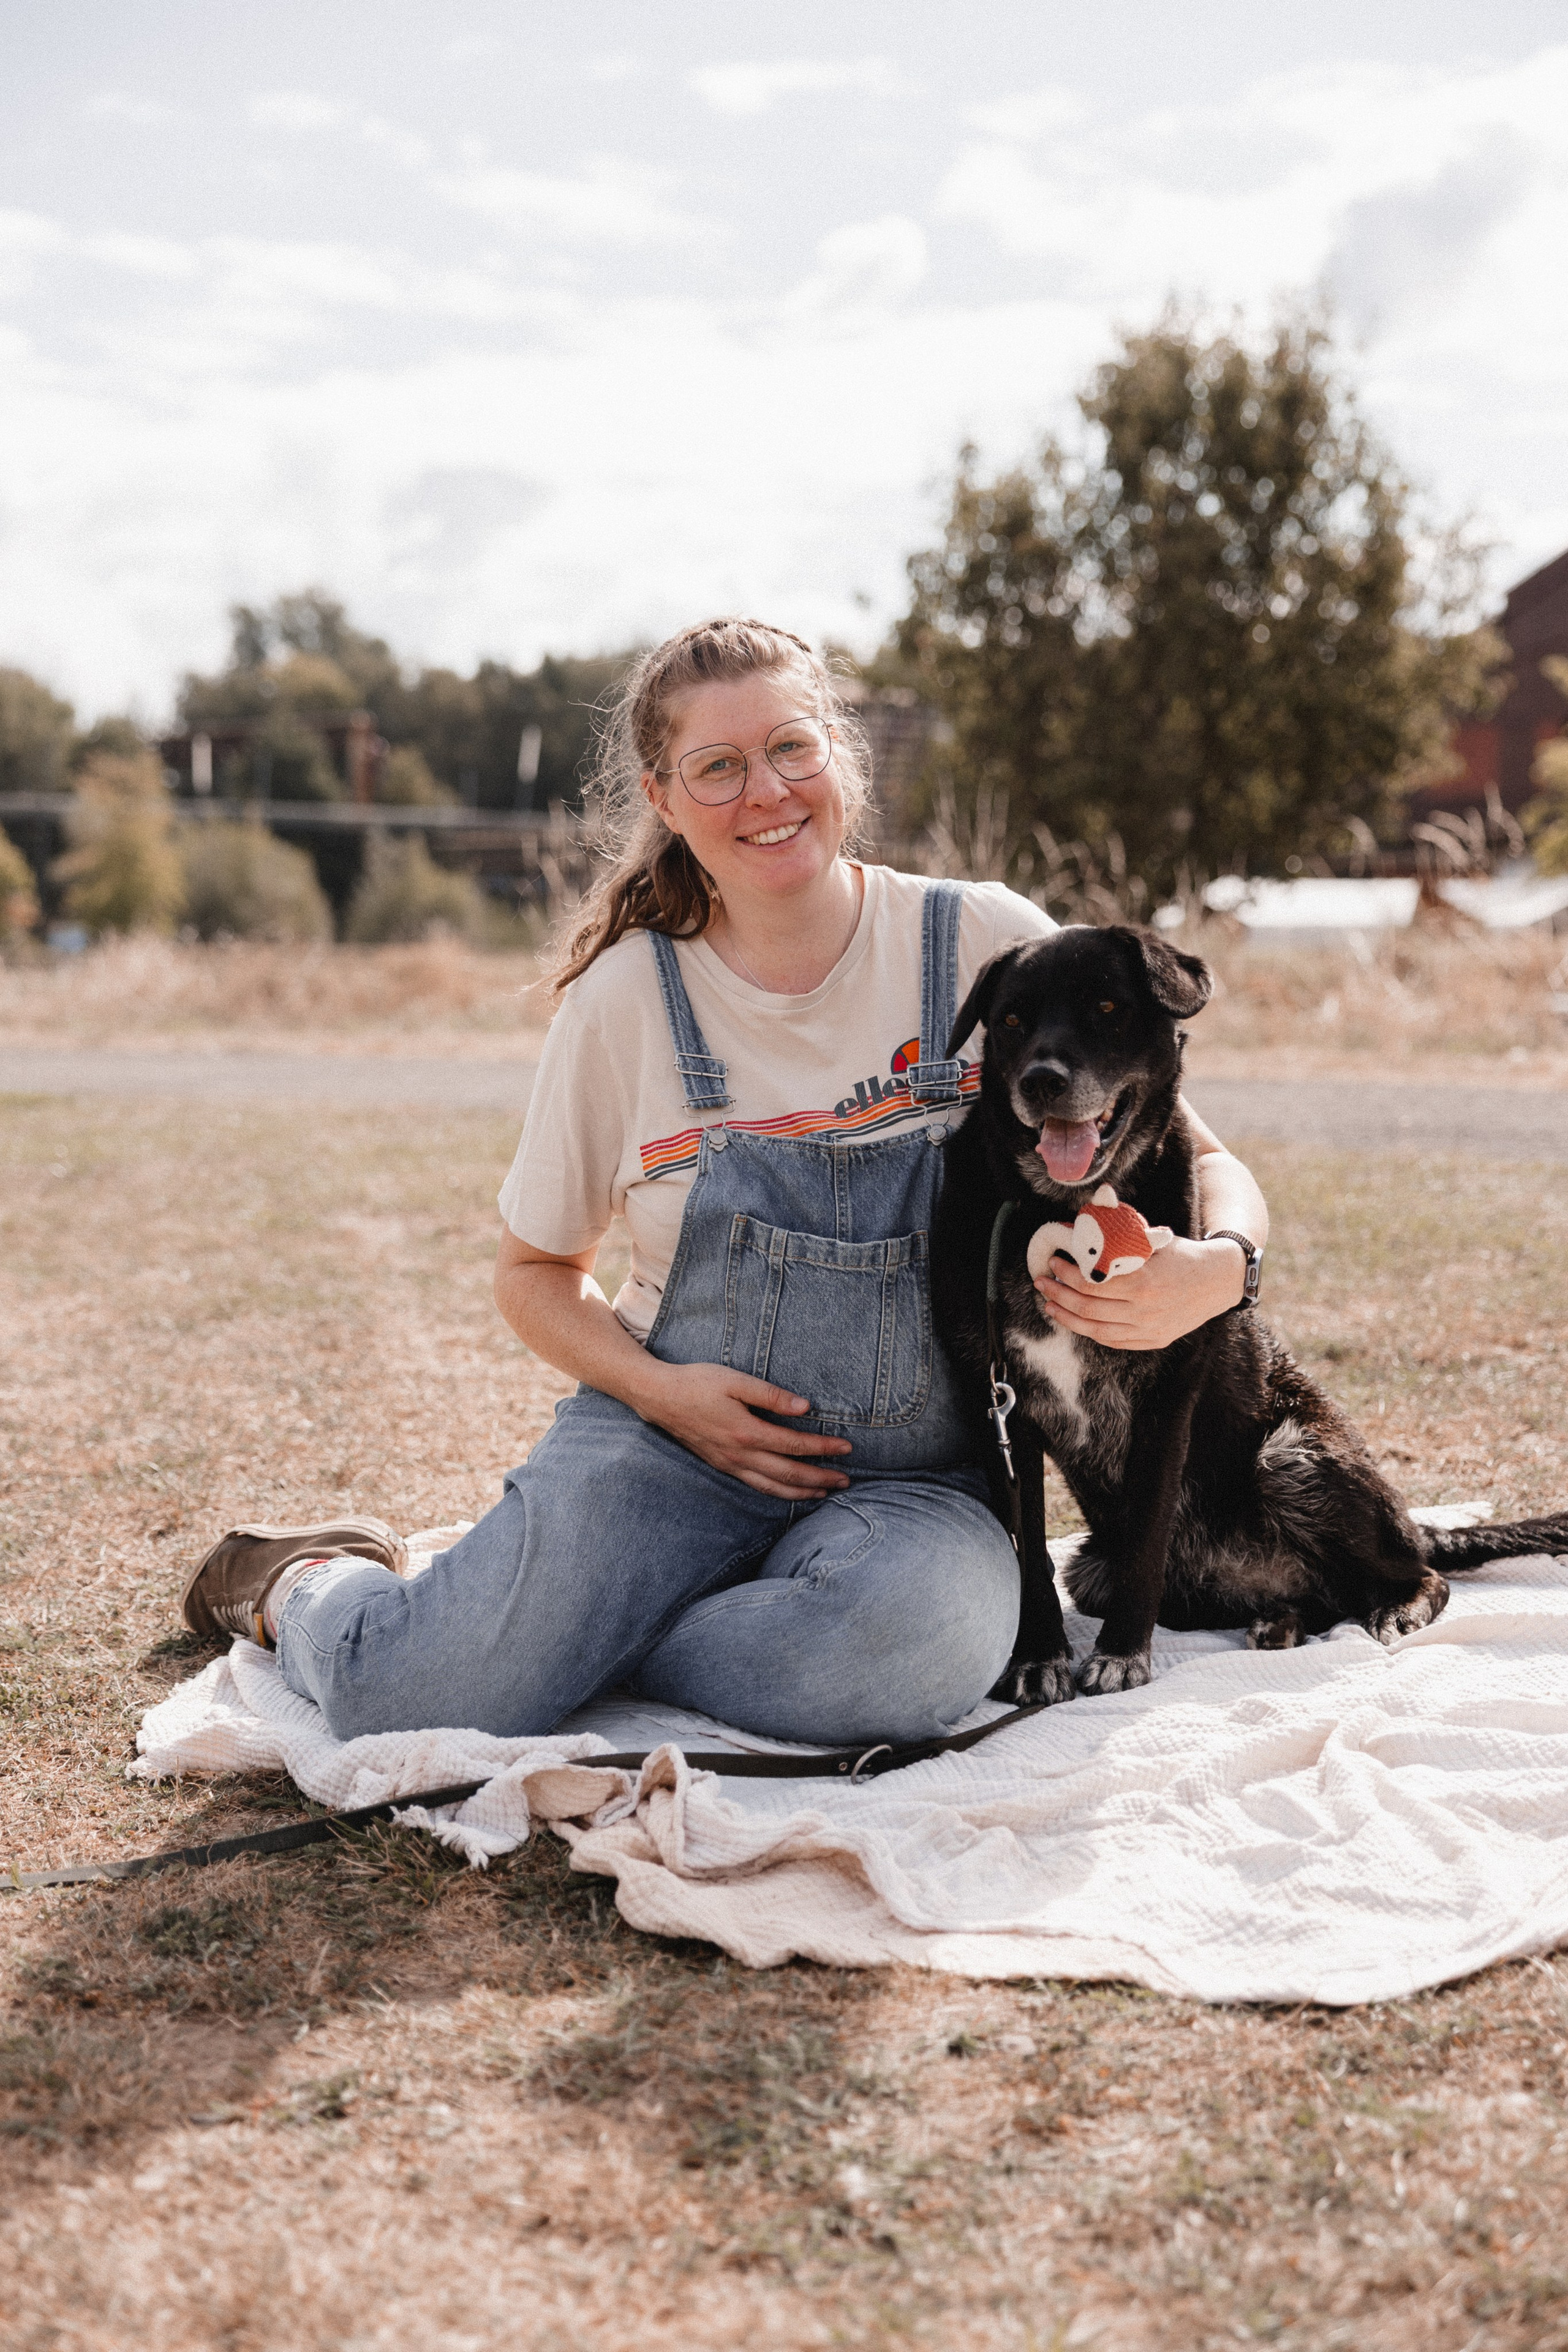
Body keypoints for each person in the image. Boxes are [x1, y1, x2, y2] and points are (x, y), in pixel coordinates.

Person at [183, 617, 1268, 1745]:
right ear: (665, 796)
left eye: (792, 749)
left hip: (918, 1486)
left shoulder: (980, 942)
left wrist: (1219, 1269)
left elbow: (1207, 1158)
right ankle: (306, 1580)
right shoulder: (623, 1003)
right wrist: (666, 1396)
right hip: (667, 1450)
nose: (768, 792)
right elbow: (535, 1275)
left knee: (925, 1656)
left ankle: (596, 1630)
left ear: (840, 756)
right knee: (399, 1696)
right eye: (719, 767)